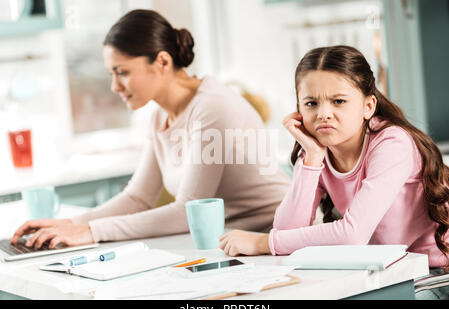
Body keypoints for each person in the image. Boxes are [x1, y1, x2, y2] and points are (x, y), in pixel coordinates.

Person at [11, 9, 290, 248]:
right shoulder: (161, 116)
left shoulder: (211, 108)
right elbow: (138, 197)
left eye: (122, 72)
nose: (114, 87)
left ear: (163, 62)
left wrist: (93, 232)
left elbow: (185, 212)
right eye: (112, 74)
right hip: (233, 243)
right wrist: (71, 223)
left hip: (276, 238)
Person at [219, 45, 449, 269]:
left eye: (338, 101)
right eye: (311, 103)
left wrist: (263, 242)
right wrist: (311, 158)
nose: (323, 114)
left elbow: (353, 234)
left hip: (432, 273)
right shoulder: (316, 149)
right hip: (381, 271)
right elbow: (286, 232)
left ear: (368, 106)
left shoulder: (392, 143)